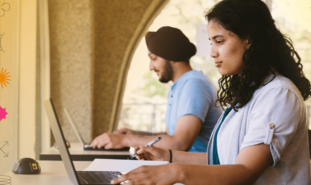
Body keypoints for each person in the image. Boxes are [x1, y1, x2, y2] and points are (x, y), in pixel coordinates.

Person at [111, 0, 311, 185]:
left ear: (249, 40)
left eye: (219, 41)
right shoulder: (250, 92)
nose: (212, 52)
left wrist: (173, 172)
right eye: (211, 42)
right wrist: (168, 156)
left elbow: (244, 171)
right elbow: (224, 161)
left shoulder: (278, 94)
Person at [91, 26, 223, 152]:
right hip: (183, 168)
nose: (151, 67)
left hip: (199, 171)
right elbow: (169, 136)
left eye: (154, 58)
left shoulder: (194, 85)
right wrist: (135, 134)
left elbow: (179, 144)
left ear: (171, 56)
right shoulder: (179, 86)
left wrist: (125, 140)